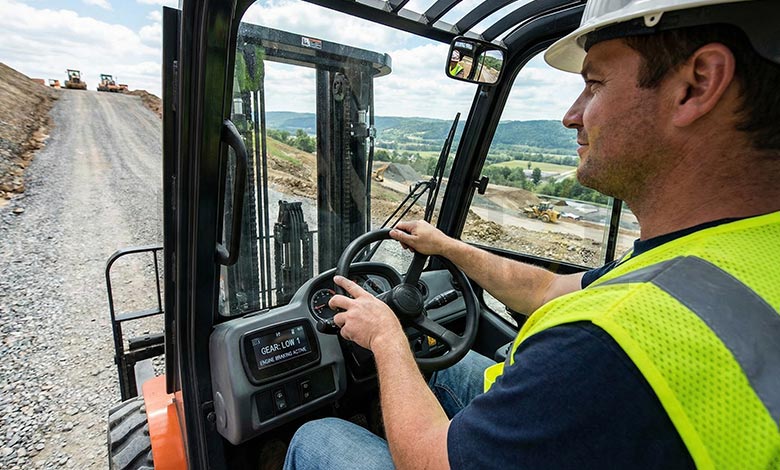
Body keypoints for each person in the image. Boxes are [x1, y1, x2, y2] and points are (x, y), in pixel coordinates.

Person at [284, 0, 780, 468]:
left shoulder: (606, 343)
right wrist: (447, 247)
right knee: (443, 367)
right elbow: (547, 289)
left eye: (595, 84)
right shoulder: (723, 253)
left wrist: (386, 335)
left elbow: (434, 462)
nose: (571, 114)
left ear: (696, 85)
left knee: (319, 437)